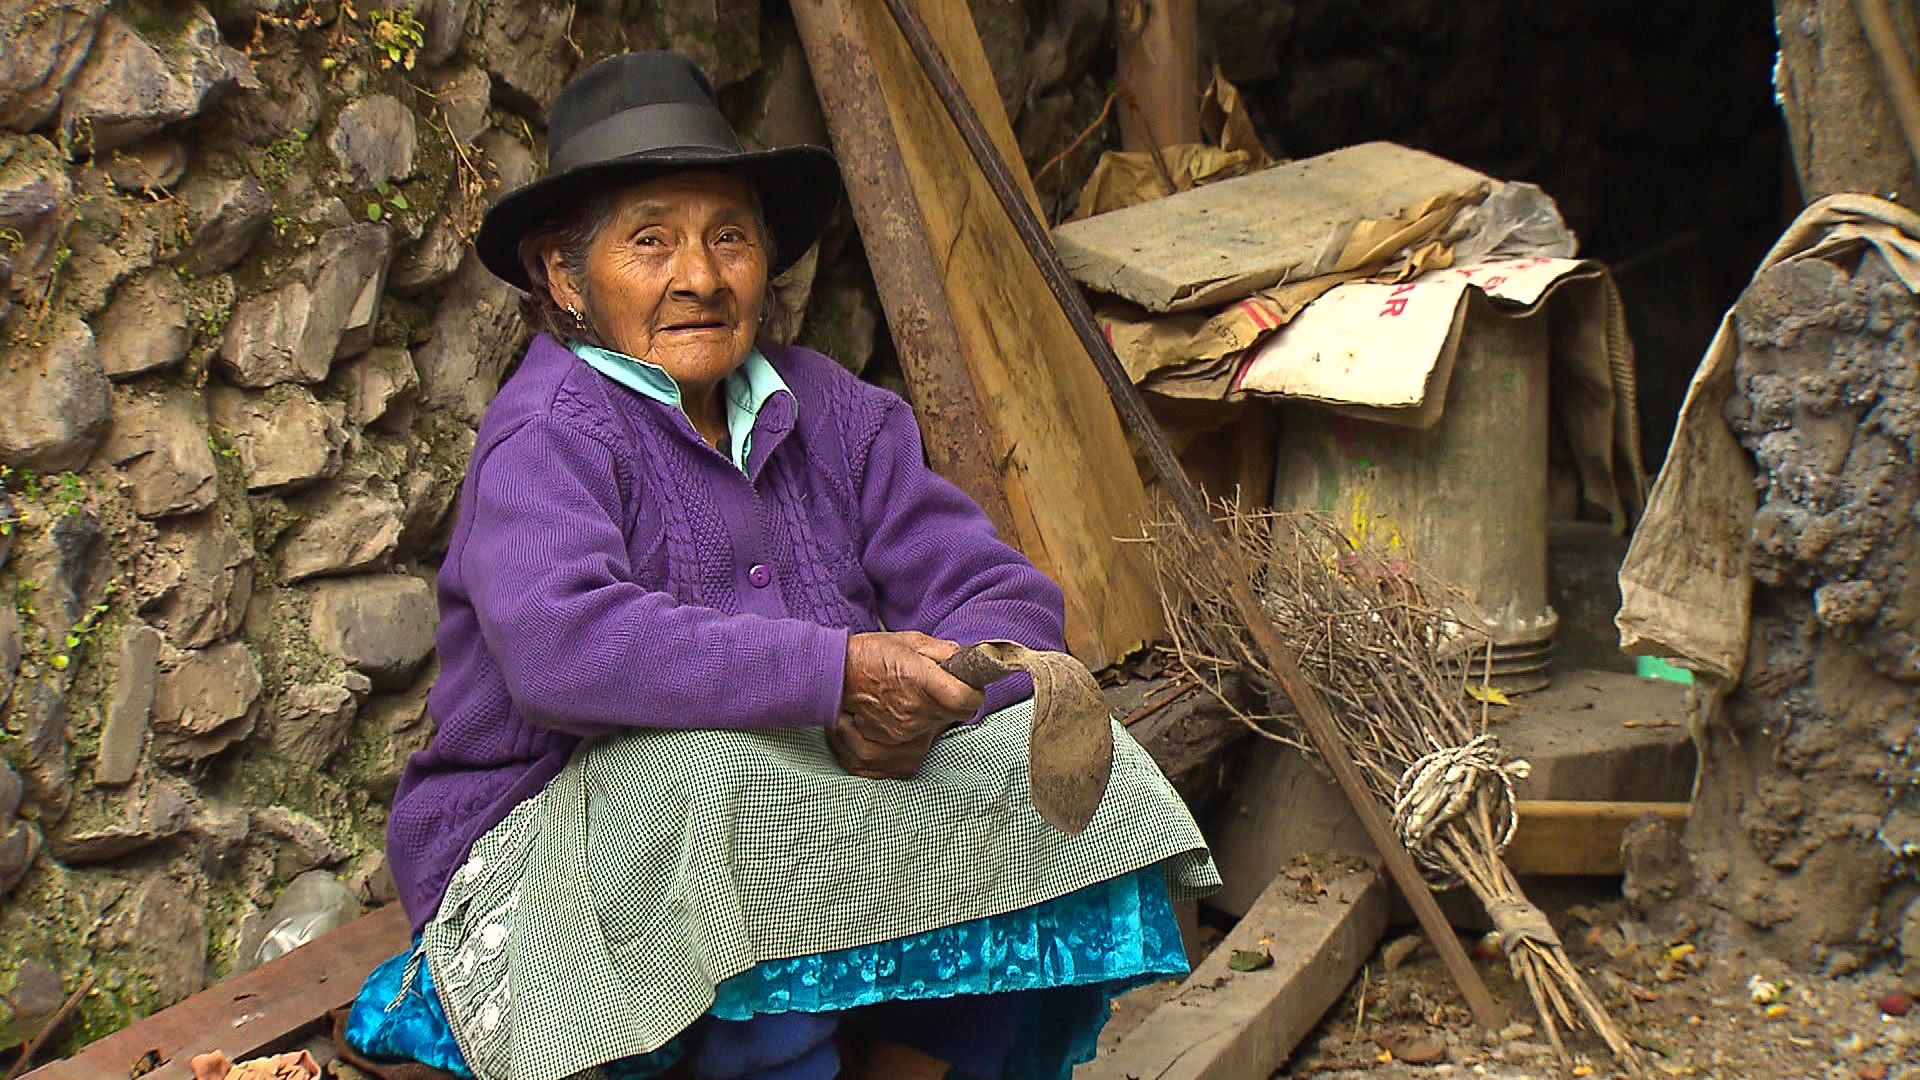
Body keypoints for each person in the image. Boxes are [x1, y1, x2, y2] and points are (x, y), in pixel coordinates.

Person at [343, 50, 1216, 1080]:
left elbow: (1003, 594)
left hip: (783, 824)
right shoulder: (548, 431)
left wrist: (945, 692)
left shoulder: (835, 412)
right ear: (565, 277)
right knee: (716, 775)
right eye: (651, 241)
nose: (700, 278)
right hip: (538, 858)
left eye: (730, 238)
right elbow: (560, 646)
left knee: (1049, 760)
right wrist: (837, 671)